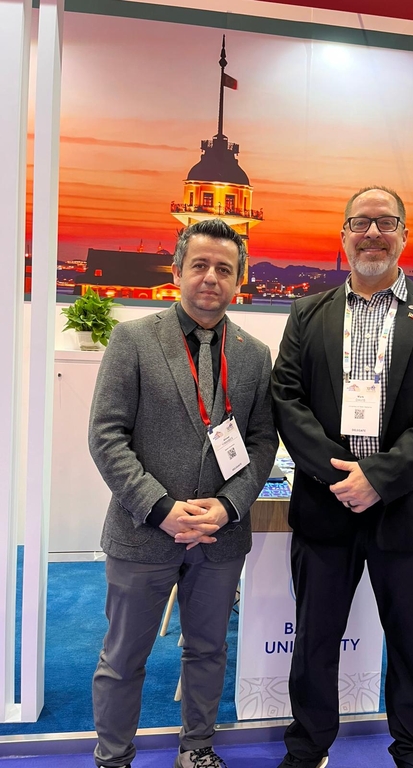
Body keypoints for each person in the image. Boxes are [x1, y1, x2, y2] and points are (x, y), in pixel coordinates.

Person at [271, 187, 413, 768]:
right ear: (343, 235)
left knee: (412, 646)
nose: (372, 234)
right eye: (360, 222)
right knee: (314, 641)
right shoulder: (307, 313)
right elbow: (286, 399)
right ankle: (308, 749)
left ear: (404, 235)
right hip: (326, 504)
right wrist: (339, 475)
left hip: (409, 508)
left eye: (386, 223)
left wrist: (379, 478)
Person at [89, 218, 278, 768]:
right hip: (143, 531)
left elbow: (262, 441)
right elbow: (106, 436)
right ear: (176, 272)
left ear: (238, 281)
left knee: (208, 650)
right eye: (199, 265)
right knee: (123, 657)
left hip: (219, 537)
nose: (211, 277)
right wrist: (161, 509)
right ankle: (113, 757)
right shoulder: (132, 340)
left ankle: (197, 748)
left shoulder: (253, 353)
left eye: (224, 268)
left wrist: (229, 505)